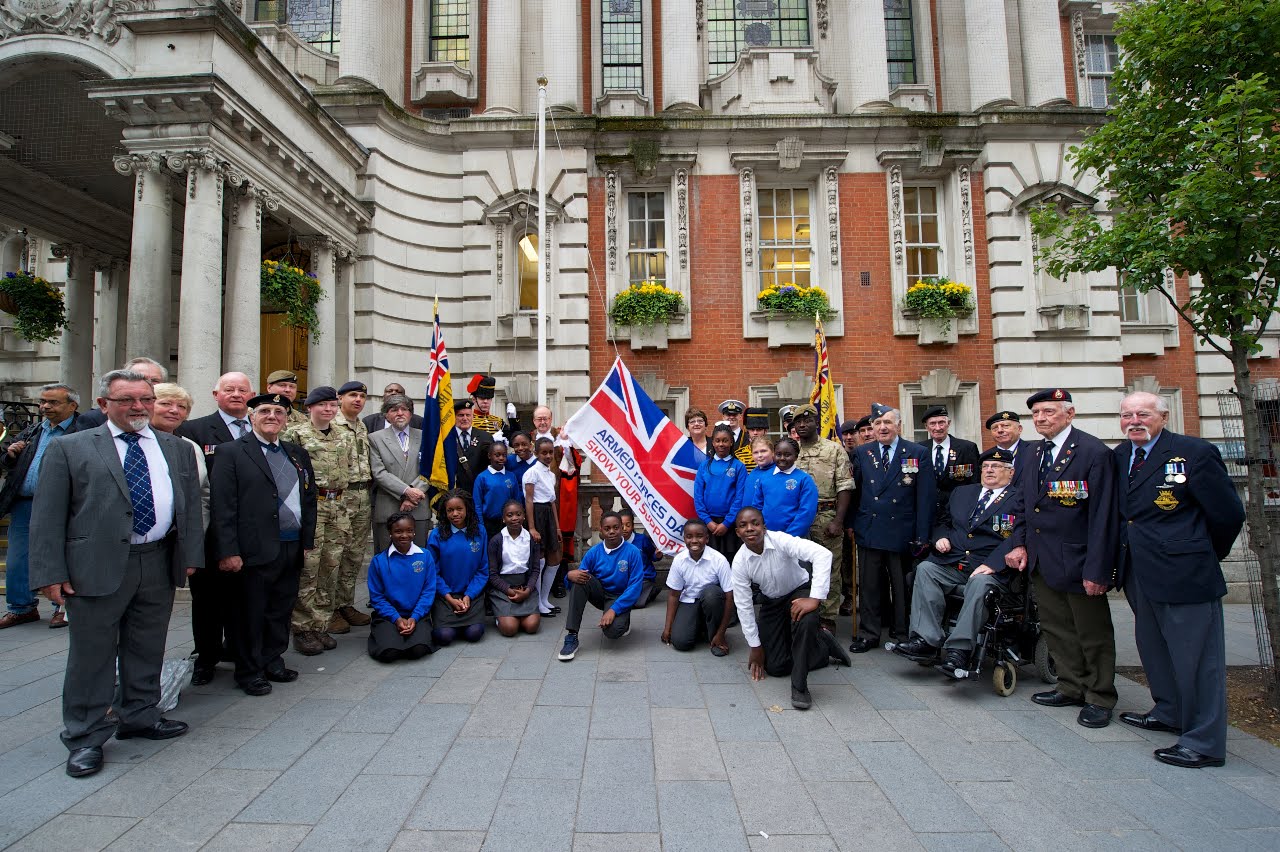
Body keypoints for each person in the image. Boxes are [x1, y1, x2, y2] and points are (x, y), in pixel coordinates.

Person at [31, 369, 203, 778]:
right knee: (92, 656)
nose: (138, 407)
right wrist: (49, 572)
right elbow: (47, 516)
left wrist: (189, 555)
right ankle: (85, 735)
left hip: (157, 560)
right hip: (93, 567)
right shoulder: (70, 448)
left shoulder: (174, 447)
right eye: (127, 400)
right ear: (104, 404)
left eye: (145, 398)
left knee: (147, 645)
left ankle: (139, 714)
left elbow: (189, 506)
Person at [1113, 391, 1244, 767]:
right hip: (1140, 569)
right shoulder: (1122, 456)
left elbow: (1228, 514)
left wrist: (1200, 553)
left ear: (1163, 416)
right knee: (1155, 649)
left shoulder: (1195, 454)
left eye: (1143, 414)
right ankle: (1169, 711)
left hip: (1186, 572)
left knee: (1197, 659)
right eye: (1126, 415)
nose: (1134, 420)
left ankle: (1204, 742)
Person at [1006, 388, 1119, 729]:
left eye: (1049, 412)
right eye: (1036, 413)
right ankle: (1070, 685)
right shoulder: (1032, 453)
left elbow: (1103, 516)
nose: (1041, 418)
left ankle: (1099, 696)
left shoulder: (1092, 451)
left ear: (1069, 414)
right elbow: (1022, 504)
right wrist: (1018, 543)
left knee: (1091, 632)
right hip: (1042, 559)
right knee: (1056, 628)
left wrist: (1100, 568)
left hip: (1081, 560)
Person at [210, 392, 318, 695]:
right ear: (251, 417)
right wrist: (228, 551)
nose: (273, 416)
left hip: (291, 545)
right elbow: (223, 506)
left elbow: (308, 498)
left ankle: (273, 659)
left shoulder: (296, 453)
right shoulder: (232, 452)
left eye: (280, 412)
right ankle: (249, 670)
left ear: (286, 419)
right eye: (265, 411)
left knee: (280, 609)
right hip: (252, 550)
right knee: (250, 613)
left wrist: (306, 539)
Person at [892, 447, 1020, 674]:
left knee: (980, 583)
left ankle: (959, 650)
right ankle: (926, 640)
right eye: (986, 467)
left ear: (1010, 473)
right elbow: (943, 521)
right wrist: (941, 536)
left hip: (991, 569)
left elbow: (1021, 536)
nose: (989, 471)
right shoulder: (963, 493)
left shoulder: (1019, 499)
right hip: (954, 561)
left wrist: (993, 563)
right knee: (926, 569)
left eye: (997, 467)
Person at [176, 371, 254, 685]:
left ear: (251, 395)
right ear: (215, 394)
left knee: (243, 598)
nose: (236, 394)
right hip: (210, 532)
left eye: (242, 390)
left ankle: (238, 650)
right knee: (207, 602)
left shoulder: (261, 427)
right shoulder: (193, 430)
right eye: (229, 389)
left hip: (250, 531)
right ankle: (205, 658)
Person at [731, 507, 850, 711]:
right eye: (743, 525)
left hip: (798, 592)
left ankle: (799, 686)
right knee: (776, 667)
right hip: (772, 602)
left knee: (808, 618)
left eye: (755, 523)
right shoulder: (740, 562)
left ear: (764, 527)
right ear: (737, 532)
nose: (750, 529)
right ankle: (822, 647)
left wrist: (814, 598)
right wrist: (755, 646)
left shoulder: (780, 540)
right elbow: (743, 605)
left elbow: (823, 554)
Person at [849, 404, 936, 653]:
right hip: (871, 528)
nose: (882, 427)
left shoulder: (917, 452)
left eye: (888, 422)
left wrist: (922, 535)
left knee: (901, 586)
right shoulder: (863, 453)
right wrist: (854, 524)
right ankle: (869, 633)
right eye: (877, 424)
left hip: (903, 530)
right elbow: (856, 492)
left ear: (899, 425)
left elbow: (925, 497)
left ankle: (902, 632)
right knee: (869, 586)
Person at [0, 383, 82, 629]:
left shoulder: (83, 431)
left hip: (64, 504)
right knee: (17, 559)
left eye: (53, 402)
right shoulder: (34, 429)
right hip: (25, 503)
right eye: (42, 402)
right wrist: (10, 453)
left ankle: (63, 608)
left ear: (72, 405)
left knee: (66, 555)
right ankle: (21, 608)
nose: (45, 407)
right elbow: (5, 460)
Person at [283, 385, 355, 656]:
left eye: (332, 405)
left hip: (338, 506)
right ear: (310, 407)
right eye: (322, 405)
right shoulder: (295, 434)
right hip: (313, 505)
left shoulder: (343, 436)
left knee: (330, 566)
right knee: (309, 568)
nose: (328, 409)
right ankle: (302, 628)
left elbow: (347, 469)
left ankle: (321, 624)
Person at [793, 404, 854, 631]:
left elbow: (845, 486)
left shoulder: (834, 450)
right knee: (799, 569)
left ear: (816, 423)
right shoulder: (791, 451)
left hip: (825, 516)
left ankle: (827, 620)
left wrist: (838, 521)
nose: (802, 425)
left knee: (828, 569)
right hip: (798, 519)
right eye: (798, 422)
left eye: (807, 421)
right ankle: (802, 615)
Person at [557, 511, 643, 661]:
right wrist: (568, 576)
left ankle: (624, 618)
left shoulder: (633, 552)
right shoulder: (594, 552)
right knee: (580, 579)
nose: (612, 532)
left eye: (616, 527)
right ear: (601, 530)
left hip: (619, 597)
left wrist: (614, 610)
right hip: (601, 593)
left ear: (622, 528)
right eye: (607, 528)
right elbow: (575, 584)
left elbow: (635, 587)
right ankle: (572, 636)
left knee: (613, 632)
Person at [332, 381, 374, 635]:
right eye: (352, 395)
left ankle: (345, 604)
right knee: (333, 555)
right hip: (339, 497)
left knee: (354, 555)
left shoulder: (362, 425)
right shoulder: (331, 424)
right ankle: (328, 611)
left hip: (362, 496)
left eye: (361, 396)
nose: (358, 400)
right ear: (340, 398)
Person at [367, 512, 437, 662]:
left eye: (409, 530)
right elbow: (377, 597)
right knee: (389, 653)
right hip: (388, 616)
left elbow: (428, 591)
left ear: (414, 531)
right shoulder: (378, 561)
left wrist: (415, 616)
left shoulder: (425, 556)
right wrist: (396, 618)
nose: (404, 535)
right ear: (390, 533)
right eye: (398, 531)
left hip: (417, 614)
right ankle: (383, 634)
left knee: (418, 650)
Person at [661, 519, 733, 655]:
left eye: (699, 536)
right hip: (689, 601)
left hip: (712, 601)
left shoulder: (719, 560)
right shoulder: (679, 560)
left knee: (711, 594)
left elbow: (730, 596)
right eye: (689, 536)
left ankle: (716, 637)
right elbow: (673, 595)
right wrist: (668, 628)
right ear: (684, 539)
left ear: (707, 539)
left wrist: (722, 632)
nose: (694, 540)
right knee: (681, 642)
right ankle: (700, 627)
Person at [369, 394, 430, 552]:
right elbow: (379, 472)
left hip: (418, 507)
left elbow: (431, 469)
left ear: (411, 413)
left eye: (404, 409)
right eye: (394, 409)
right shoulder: (375, 439)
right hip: (389, 506)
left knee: (418, 558)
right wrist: (407, 492)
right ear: (386, 415)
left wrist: (413, 496)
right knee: (388, 557)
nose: (400, 413)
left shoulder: (425, 437)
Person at [427, 489, 489, 646]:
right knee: (445, 636)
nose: (455, 514)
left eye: (459, 509)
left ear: (467, 509)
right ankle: (448, 620)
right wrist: (449, 597)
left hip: (471, 595)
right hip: (445, 596)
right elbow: (433, 572)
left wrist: (469, 595)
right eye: (450, 510)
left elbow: (483, 569)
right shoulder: (436, 535)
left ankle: (466, 618)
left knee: (474, 633)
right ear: (444, 512)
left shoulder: (480, 532)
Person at [150, 383, 210, 531]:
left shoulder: (191, 447)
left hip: (181, 537)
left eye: (182, 407)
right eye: (165, 403)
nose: (174, 410)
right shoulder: (130, 443)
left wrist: (196, 532)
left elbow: (203, 494)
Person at [488, 499, 543, 637]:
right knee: (510, 629)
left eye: (518, 514)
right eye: (510, 515)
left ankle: (518, 615)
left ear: (524, 516)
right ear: (503, 519)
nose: (514, 518)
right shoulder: (496, 541)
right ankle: (501, 617)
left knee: (532, 627)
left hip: (525, 587)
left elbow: (535, 569)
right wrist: (508, 590)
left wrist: (528, 590)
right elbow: (492, 574)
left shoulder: (531, 539)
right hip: (503, 589)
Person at [694, 424, 748, 562]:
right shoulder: (704, 466)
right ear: (713, 442)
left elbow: (740, 497)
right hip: (709, 524)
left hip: (730, 524)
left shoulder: (739, 466)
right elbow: (698, 497)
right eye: (718, 440)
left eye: (725, 440)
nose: (721, 444)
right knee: (710, 562)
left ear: (731, 442)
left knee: (731, 560)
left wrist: (727, 523)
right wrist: (708, 522)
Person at [750, 436, 818, 537]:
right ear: (773, 454)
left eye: (787, 455)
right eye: (778, 454)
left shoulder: (804, 479)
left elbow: (806, 513)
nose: (782, 458)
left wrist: (788, 538)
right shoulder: (764, 478)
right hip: (767, 536)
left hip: (794, 539)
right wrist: (761, 531)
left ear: (796, 456)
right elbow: (757, 507)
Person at [75, 356, 168, 429]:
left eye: (155, 380)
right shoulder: (94, 419)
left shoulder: (176, 420)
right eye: (139, 378)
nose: (148, 384)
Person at [525, 437, 562, 616]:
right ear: (536, 453)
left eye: (550, 452)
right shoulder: (532, 473)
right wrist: (532, 527)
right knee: (539, 558)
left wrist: (557, 527)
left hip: (548, 513)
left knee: (554, 557)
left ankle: (545, 598)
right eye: (544, 452)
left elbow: (553, 501)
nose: (548, 456)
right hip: (537, 514)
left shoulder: (551, 474)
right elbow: (529, 500)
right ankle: (537, 601)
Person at [921, 405, 979, 516]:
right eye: (932, 423)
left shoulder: (967, 448)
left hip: (959, 510)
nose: (937, 428)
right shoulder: (920, 449)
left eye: (941, 422)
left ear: (949, 423)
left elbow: (975, 482)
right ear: (926, 426)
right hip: (928, 511)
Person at [475, 440, 518, 541]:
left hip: (509, 523)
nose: (501, 458)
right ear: (490, 456)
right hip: (489, 524)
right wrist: (481, 525)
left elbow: (516, 500)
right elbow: (477, 504)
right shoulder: (482, 477)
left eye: (504, 455)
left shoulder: (511, 476)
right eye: (497, 455)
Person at [619, 507, 662, 608]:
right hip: (627, 578)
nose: (624, 529)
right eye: (621, 526)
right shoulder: (616, 542)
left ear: (633, 525)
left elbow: (652, 555)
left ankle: (652, 590)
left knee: (637, 603)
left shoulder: (641, 539)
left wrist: (657, 555)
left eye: (628, 525)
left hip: (644, 578)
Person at [452, 399, 492, 494]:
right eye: (461, 415)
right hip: (455, 492)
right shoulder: (447, 438)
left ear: (472, 416)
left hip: (478, 491)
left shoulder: (485, 437)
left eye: (468, 415)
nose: (465, 418)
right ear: (454, 417)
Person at [986, 410, 1035, 486]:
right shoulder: (986, 456)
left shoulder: (1034, 451)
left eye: (1005, 426)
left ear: (1019, 429)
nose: (1000, 430)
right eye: (995, 428)